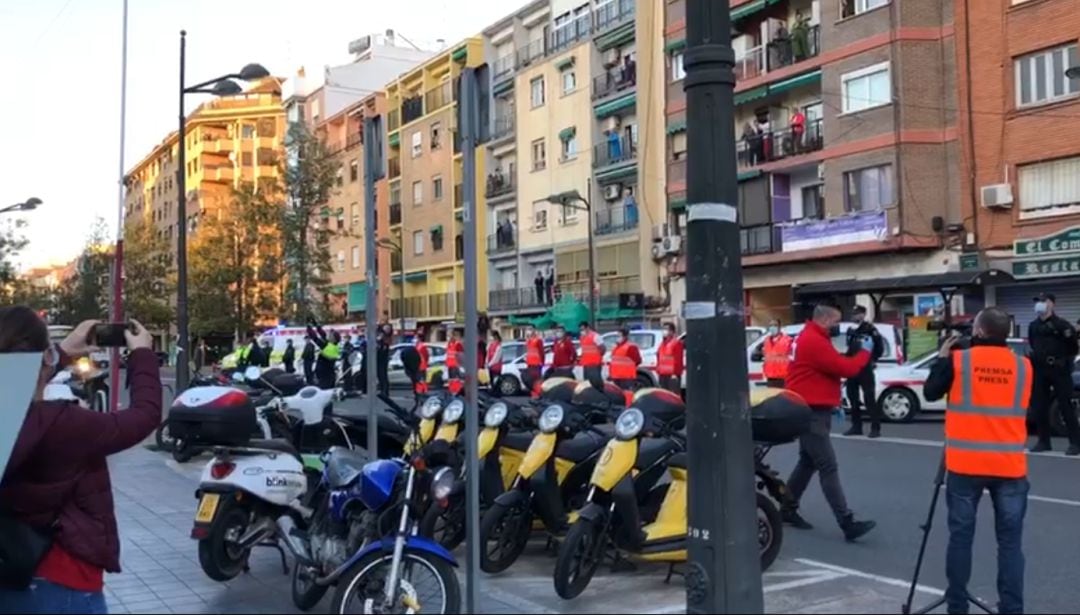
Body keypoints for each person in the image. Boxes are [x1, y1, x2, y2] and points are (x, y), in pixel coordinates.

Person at [0, 310, 160, 614]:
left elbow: (13, 378)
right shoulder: (62, 423)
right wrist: (141, 355)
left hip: (9, 573)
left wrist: (60, 353)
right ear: (44, 357)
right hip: (64, 581)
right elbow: (144, 416)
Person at [922, 307, 1032, 615]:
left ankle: (957, 605)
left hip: (965, 466)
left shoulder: (959, 361)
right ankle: (1012, 609)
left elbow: (931, 393)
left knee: (961, 538)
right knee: (1010, 545)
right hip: (1009, 467)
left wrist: (944, 355)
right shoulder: (1024, 367)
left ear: (979, 332)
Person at [782, 301, 877, 541]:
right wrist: (864, 353)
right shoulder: (814, 341)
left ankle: (786, 507)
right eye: (835, 322)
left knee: (808, 462)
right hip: (811, 410)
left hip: (810, 406)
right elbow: (845, 368)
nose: (837, 327)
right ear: (824, 320)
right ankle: (846, 522)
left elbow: (828, 369)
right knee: (827, 465)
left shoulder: (810, 337)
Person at [1028, 292, 1080, 455]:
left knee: (1066, 406)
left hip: (1059, 369)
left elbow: (1073, 347)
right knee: (1040, 406)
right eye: (1038, 301)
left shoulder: (1062, 325)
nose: (1040, 304)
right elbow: (1032, 343)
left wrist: (1063, 361)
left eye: (1043, 301)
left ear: (1052, 304)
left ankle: (1075, 443)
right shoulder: (1033, 326)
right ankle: (1044, 441)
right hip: (1040, 369)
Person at [844, 305, 885, 438]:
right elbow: (849, 349)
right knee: (853, 398)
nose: (854, 316)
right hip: (852, 368)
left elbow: (879, 347)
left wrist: (872, 360)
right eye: (853, 314)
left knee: (869, 398)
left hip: (865, 368)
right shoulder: (850, 330)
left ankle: (875, 428)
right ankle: (856, 426)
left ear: (863, 314)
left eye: (857, 314)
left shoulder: (870, 329)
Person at [609, 328, 642, 406]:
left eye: (619, 336)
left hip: (627, 376)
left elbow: (637, 360)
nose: (618, 337)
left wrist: (628, 368)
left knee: (628, 394)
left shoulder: (630, 347)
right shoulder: (616, 347)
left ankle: (628, 407)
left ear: (625, 336)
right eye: (617, 335)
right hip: (617, 375)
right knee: (618, 394)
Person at [307, 321, 340, 390]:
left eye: (331, 335)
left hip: (324, 376)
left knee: (324, 394)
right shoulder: (334, 345)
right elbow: (323, 335)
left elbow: (315, 338)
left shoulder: (328, 347)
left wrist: (309, 328)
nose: (329, 336)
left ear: (334, 339)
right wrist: (317, 326)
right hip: (330, 374)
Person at [762, 319, 794, 388]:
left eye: (775, 325)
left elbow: (793, 357)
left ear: (779, 327)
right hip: (770, 377)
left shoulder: (788, 340)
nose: (773, 327)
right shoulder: (766, 340)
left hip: (783, 378)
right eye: (771, 325)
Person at [656, 323, 685, 394]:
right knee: (663, 395)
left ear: (672, 331)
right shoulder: (662, 344)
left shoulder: (676, 343)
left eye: (666, 329)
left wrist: (674, 374)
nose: (664, 331)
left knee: (672, 396)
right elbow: (659, 356)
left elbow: (678, 359)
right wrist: (658, 369)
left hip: (672, 375)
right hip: (662, 374)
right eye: (663, 329)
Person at [579, 321, 605, 389]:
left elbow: (603, 348)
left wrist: (597, 357)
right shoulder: (582, 337)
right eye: (581, 329)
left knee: (596, 383)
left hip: (594, 364)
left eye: (583, 329)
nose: (582, 331)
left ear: (587, 328)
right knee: (587, 384)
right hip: (586, 364)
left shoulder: (595, 336)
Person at [524, 327, 545, 398]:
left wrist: (542, 362)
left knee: (536, 381)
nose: (528, 332)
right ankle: (534, 394)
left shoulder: (538, 340)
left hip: (536, 364)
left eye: (530, 330)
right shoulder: (528, 341)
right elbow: (528, 351)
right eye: (527, 330)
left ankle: (538, 394)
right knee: (530, 380)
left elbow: (541, 352)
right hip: (530, 364)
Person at [446, 329, 465, 395]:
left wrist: (461, 365)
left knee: (456, 380)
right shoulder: (449, 344)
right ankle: (452, 391)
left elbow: (461, 355)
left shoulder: (458, 344)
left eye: (450, 335)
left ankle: (456, 392)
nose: (449, 337)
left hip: (455, 364)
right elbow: (448, 354)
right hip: (450, 364)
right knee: (451, 379)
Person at [377, 324, 392, 397]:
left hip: (383, 360)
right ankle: (383, 390)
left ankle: (385, 391)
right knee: (380, 376)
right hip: (380, 360)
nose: (386, 329)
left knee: (383, 376)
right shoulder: (382, 337)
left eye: (388, 328)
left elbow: (383, 348)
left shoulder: (386, 339)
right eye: (385, 328)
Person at [414, 327, 430, 395]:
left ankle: (424, 391)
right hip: (418, 365)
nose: (415, 339)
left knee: (422, 379)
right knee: (419, 379)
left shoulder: (422, 346)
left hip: (422, 365)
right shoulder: (417, 345)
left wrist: (425, 363)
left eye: (416, 337)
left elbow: (426, 356)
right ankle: (420, 390)